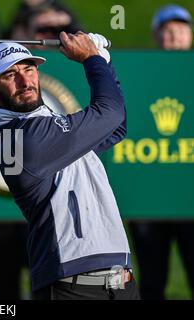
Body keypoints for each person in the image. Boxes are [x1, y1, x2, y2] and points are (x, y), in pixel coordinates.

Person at [0, 32, 140, 300]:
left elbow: (116, 126)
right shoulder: (25, 136)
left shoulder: (43, 124)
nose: (24, 81)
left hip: (119, 279)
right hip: (71, 285)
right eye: (10, 76)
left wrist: (104, 60)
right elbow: (109, 113)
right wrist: (92, 59)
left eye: (29, 69)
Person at [128, 4, 194, 300]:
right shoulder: (139, 76)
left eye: (180, 31)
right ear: (156, 37)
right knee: (152, 279)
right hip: (150, 195)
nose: (174, 37)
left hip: (188, 195)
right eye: (168, 32)